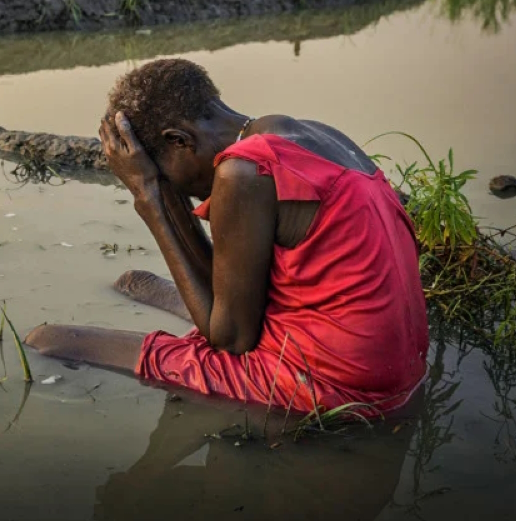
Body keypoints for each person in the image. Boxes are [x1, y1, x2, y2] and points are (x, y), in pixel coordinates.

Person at [25, 58, 428, 414]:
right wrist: (166, 193)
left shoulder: (243, 171)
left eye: (168, 178)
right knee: (134, 281)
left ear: (179, 141)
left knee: (49, 338)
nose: (180, 194)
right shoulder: (304, 133)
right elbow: (236, 290)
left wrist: (150, 198)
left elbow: (230, 340)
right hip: (398, 369)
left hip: (337, 388)